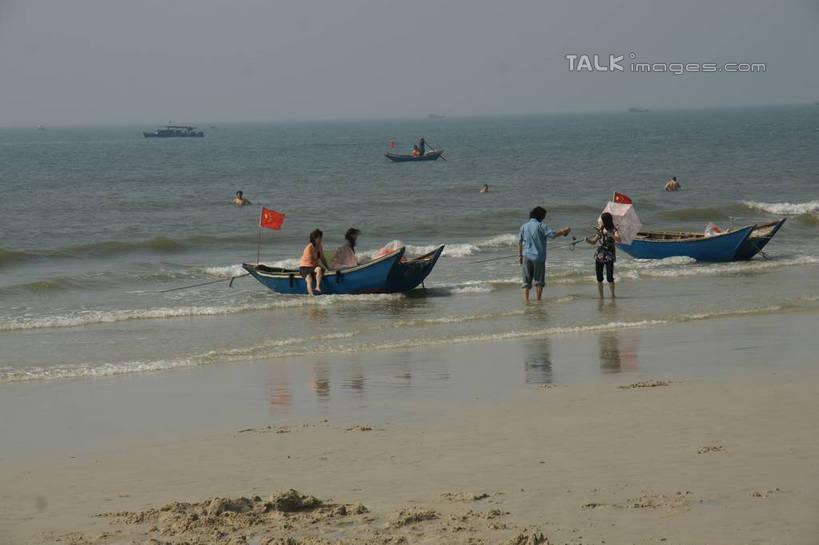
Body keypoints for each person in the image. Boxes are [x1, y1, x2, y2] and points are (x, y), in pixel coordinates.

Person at [518, 206, 571, 303]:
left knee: (526, 281)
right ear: (540, 216)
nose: (544, 218)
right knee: (539, 281)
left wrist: (520, 256)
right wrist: (564, 231)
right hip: (538, 257)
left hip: (526, 257)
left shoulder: (524, 226)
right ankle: (538, 300)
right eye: (543, 216)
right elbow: (553, 235)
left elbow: (519, 242)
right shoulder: (541, 225)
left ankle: (527, 301)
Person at [585, 212, 622, 299]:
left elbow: (619, 239)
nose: (601, 221)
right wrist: (588, 240)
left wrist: (609, 233)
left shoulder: (614, 230)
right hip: (599, 256)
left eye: (602, 219)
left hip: (609, 256)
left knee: (609, 277)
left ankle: (613, 295)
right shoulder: (600, 230)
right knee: (599, 278)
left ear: (606, 220)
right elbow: (594, 242)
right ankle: (601, 296)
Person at [299, 229, 330, 296]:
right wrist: (318, 264)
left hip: (313, 266)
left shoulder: (319, 246)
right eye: (319, 238)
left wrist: (328, 268)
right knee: (309, 278)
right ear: (315, 238)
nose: (321, 240)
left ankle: (317, 286)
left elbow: (322, 258)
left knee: (319, 269)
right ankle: (311, 295)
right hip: (305, 267)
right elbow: (311, 260)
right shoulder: (309, 247)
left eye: (321, 238)